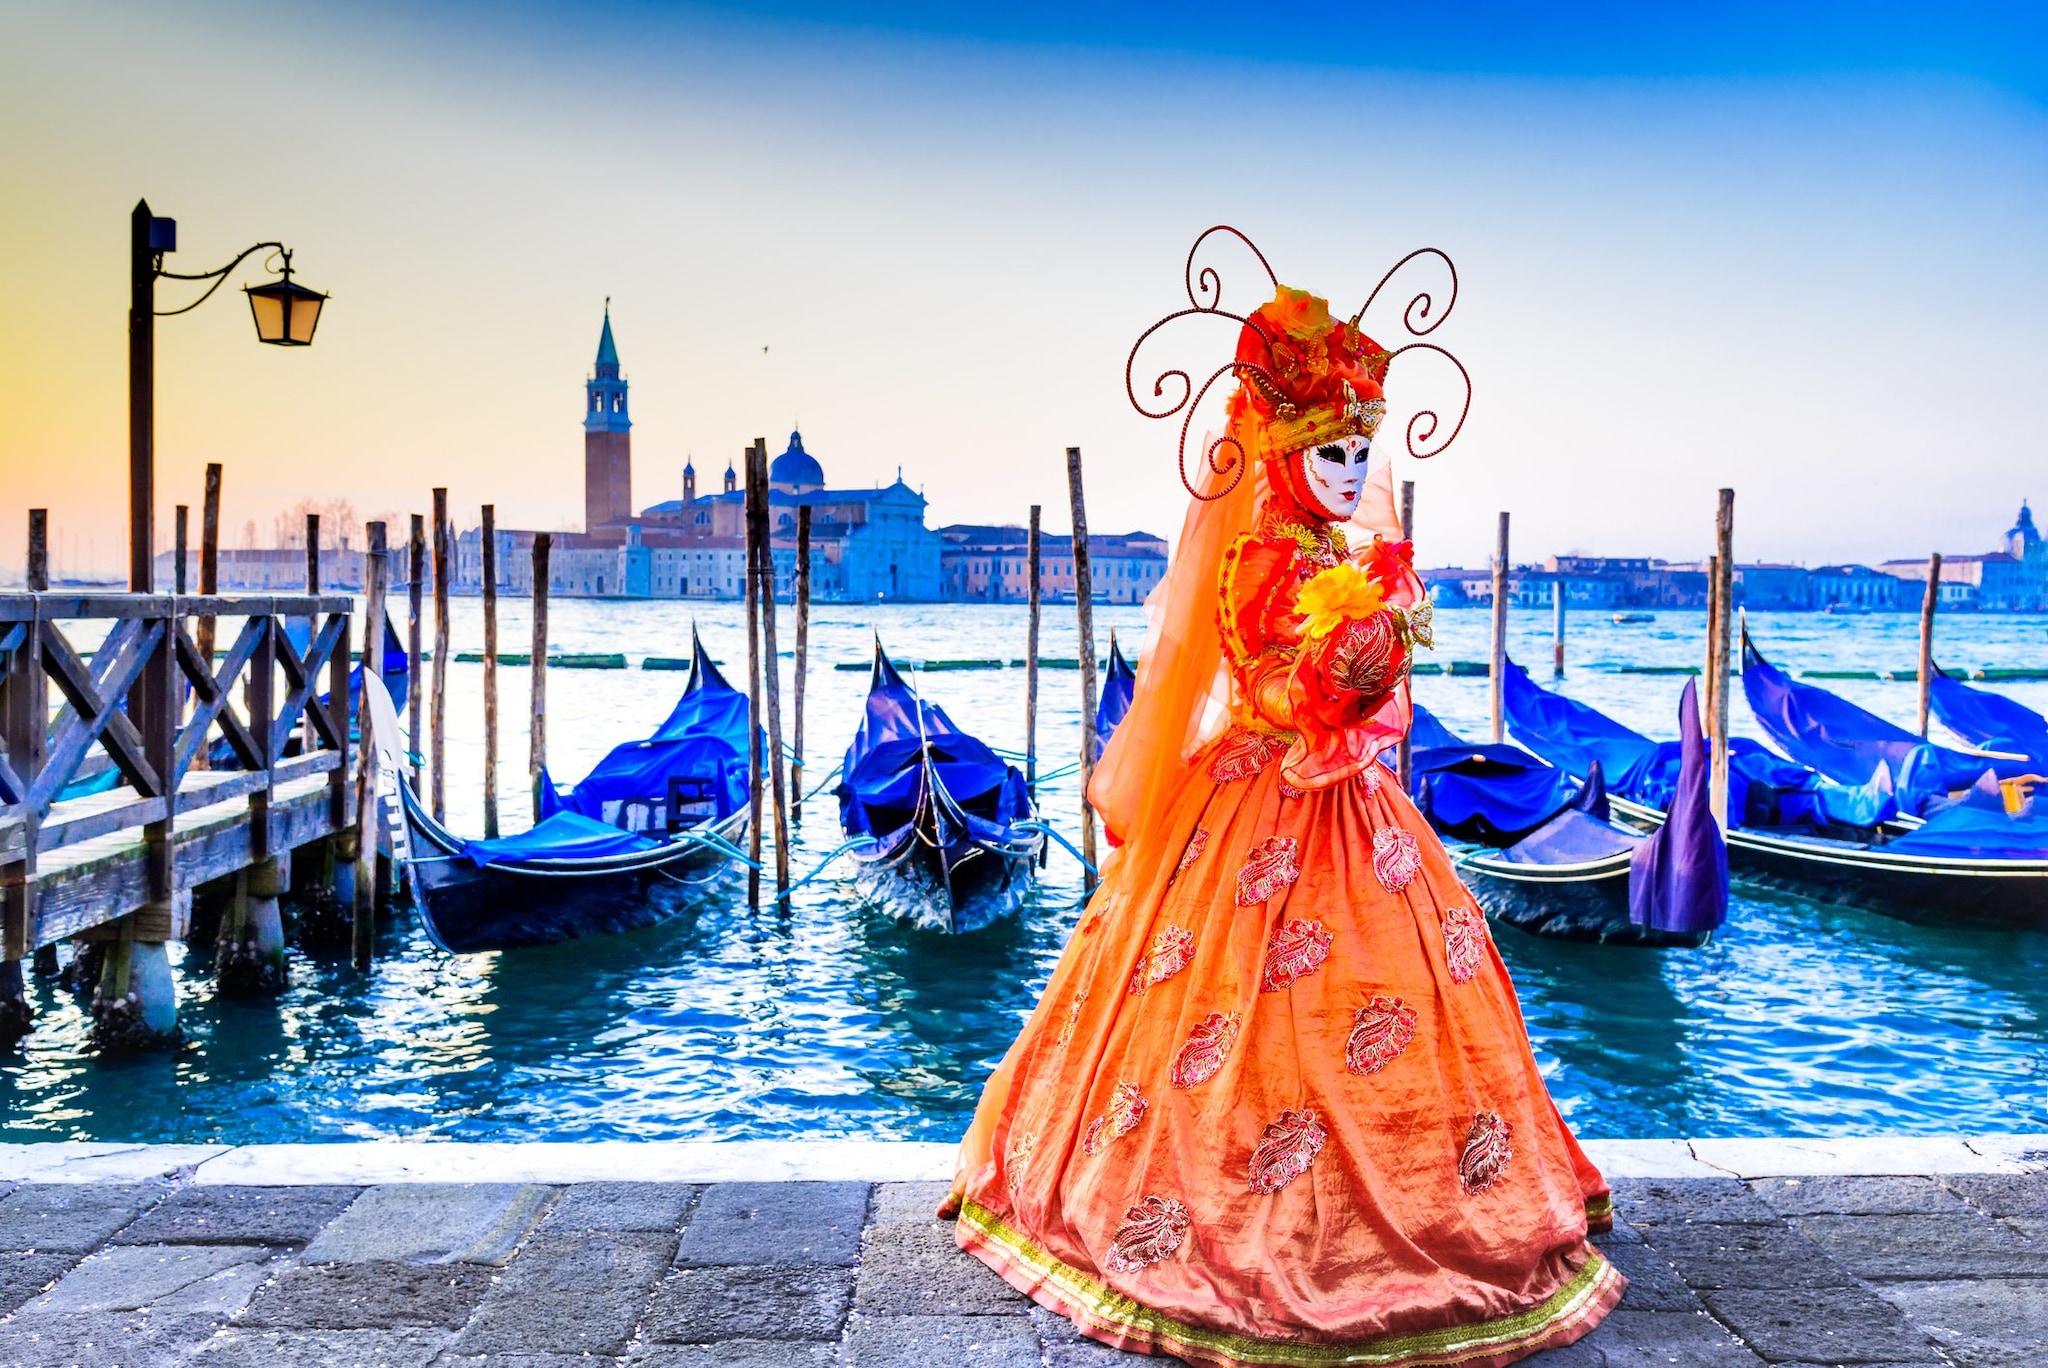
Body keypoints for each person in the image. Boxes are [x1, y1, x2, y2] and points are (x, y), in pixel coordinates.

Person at [941, 234, 1624, 1366]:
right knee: (1228, 1008)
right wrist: (1360, 645)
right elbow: (1293, 689)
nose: (1354, 475)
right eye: (1332, 455)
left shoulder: (1336, 554)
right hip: (1264, 793)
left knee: (1378, 993)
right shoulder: (1262, 564)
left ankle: (1395, 1189)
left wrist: (1376, 629)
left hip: (1347, 805)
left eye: (1363, 453)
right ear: (1280, 455)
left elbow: (1355, 696)